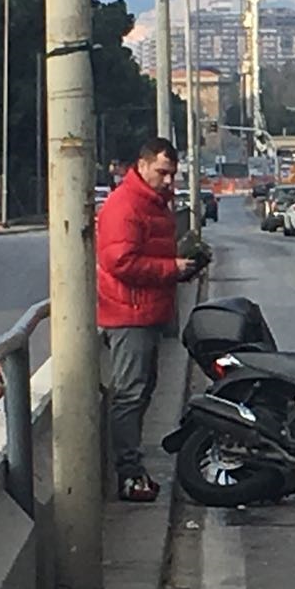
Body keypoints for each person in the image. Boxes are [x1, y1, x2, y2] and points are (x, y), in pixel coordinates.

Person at [96, 137, 200, 501]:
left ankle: (133, 468)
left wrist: (178, 270)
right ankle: (128, 473)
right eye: (163, 173)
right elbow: (120, 262)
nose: (170, 181)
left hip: (145, 311)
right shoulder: (126, 206)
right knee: (131, 394)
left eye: (173, 174)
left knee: (141, 392)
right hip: (128, 314)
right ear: (141, 166)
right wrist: (171, 268)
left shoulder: (153, 204)